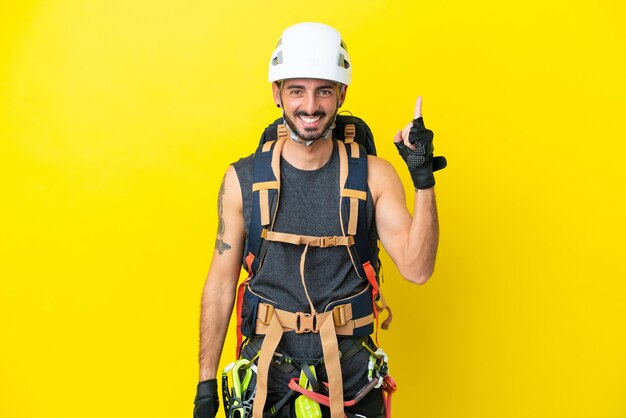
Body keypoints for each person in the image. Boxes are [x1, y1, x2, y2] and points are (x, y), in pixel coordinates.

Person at [193, 22, 446, 418]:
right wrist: (206, 383)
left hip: (350, 383)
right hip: (266, 383)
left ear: (341, 94)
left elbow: (417, 269)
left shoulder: (374, 176)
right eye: (297, 90)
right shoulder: (241, 181)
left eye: (323, 90)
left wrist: (423, 179)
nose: (310, 106)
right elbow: (221, 284)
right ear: (277, 94)